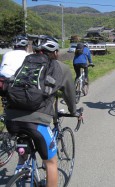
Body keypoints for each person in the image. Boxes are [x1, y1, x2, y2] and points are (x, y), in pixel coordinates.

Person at [5, 35, 79, 187]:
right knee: (51, 162)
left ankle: (22, 167)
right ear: (55, 52)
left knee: (24, 146)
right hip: (36, 124)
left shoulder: (25, 64)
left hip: (10, 119)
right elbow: (70, 95)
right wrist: (74, 111)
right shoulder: (60, 68)